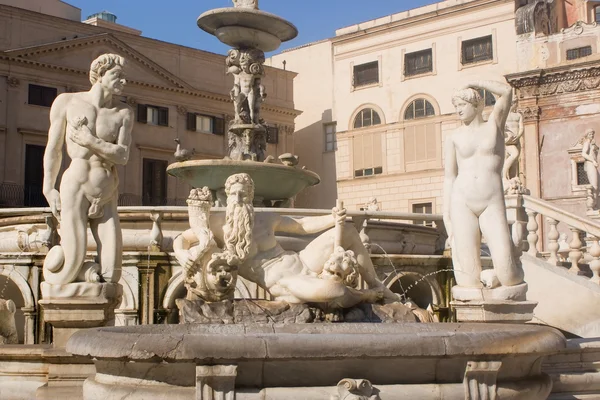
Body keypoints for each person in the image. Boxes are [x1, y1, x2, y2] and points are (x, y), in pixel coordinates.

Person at [209, 173, 399, 308]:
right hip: (287, 281)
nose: (239, 198)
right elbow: (185, 239)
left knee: (347, 230)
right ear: (227, 196)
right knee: (333, 290)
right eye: (234, 194)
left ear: (250, 196)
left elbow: (301, 226)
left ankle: (378, 287)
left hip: (301, 260)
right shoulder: (219, 228)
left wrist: (332, 218)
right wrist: (186, 256)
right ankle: (365, 295)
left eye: (243, 193)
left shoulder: (265, 218)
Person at [42, 54, 133, 285]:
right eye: (117, 75)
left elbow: (122, 155)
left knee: (113, 273)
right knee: (68, 265)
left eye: (124, 77)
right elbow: (54, 149)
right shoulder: (67, 102)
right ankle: (81, 279)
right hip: (76, 185)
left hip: (108, 192)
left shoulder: (124, 113)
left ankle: (97, 291)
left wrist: (90, 140)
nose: (123, 81)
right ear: (100, 75)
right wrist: (48, 188)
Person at [443, 81, 525, 289]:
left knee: (510, 277)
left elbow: (506, 92)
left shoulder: (494, 125)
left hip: (490, 202)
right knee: (468, 282)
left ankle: (501, 270)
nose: (458, 110)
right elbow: (450, 177)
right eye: (456, 106)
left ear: (477, 104)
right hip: (462, 203)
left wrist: (472, 82)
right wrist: (446, 216)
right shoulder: (454, 137)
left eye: (462, 104)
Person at [502, 100, 524, 183]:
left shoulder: (518, 115)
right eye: (515, 103)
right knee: (514, 155)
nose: (515, 105)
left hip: (516, 141)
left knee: (515, 161)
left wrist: (518, 136)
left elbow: (521, 127)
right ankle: (503, 176)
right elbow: (500, 127)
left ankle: (513, 178)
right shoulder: (504, 115)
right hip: (507, 141)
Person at [581, 128, 599, 198]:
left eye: (592, 134)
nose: (592, 135)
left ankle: (595, 204)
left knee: (597, 186)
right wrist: (593, 161)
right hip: (590, 164)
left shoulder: (591, 144)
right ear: (587, 135)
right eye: (590, 134)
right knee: (594, 186)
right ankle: (594, 205)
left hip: (593, 165)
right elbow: (583, 154)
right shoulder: (587, 143)